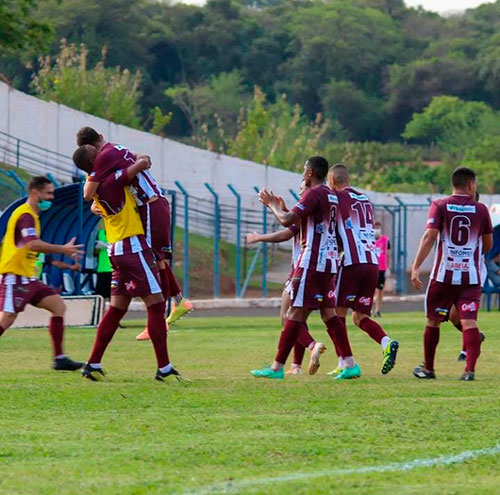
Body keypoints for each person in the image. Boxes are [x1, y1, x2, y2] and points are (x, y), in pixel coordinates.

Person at [72, 145, 187, 382]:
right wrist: (141, 159)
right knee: (156, 304)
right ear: (96, 162)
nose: (104, 156)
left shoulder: (94, 184)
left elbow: (93, 196)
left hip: (116, 249)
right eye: (99, 155)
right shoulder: (110, 181)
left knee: (116, 309)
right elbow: (138, 167)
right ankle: (164, 367)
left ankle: (92, 363)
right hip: (132, 246)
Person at [250, 156, 360, 380]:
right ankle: (349, 363)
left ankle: (277, 368)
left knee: (293, 314)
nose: (302, 173)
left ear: (310, 172)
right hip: (329, 261)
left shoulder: (315, 193)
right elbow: (307, 222)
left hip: (312, 261)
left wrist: (272, 206)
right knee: (329, 314)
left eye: (303, 169)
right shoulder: (332, 195)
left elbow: (287, 220)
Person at [411, 166, 493, 381]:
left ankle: (428, 369)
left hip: (443, 275)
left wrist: (416, 266)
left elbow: (430, 236)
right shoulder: (482, 209)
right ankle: (469, 371)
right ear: (470, 185)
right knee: (469, 321)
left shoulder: (439, 205)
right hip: (471, 276)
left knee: (433, 321)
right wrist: (470, 253)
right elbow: (487, 244)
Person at [0, 176, 84, 371]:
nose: (51, 198)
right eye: (48, 193)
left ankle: (59, 358)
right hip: (15, 275)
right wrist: (62, 249)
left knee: (57, 306)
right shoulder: (25, 215)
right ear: (34, 193)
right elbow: (32, 244)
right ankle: (59, 358)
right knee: (7, 317)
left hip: (29, 277)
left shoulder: (33, 216)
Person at [246, 181, 326, 376]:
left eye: (302, 188)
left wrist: (260, 237)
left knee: (287, 317)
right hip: (321, 267)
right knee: (298, 319)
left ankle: (311, 346)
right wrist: (283, 209)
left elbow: (285, 232)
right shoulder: (317, 213)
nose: (300, 191)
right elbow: (293, 223)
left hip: (302, 268)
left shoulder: (308, 209)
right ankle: (296, 365)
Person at [328, 164, 399, 376]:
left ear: (332, 180)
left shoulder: (337, 198)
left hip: (353, 262)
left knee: (335, 313)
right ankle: (386, 342)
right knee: (359, 316)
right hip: (372, 261)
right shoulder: (365, 199)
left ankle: (346, 363)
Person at [373, 221, 391, 317]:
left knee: (380, 289)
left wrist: (388, 268)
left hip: (382, 268)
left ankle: (378, 310)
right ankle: (368, 308)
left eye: (378, 227)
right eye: (375, 227)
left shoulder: (385, 240)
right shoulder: (369, 239)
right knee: (371, 289)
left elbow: (388, 255)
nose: (377, 229)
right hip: (372, 267)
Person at [93, 222, 112, 300]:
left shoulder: (118, 234)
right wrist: (97, 248)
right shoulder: (100, 234)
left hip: (114, 269)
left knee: (114, 295)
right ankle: (101, 311)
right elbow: (94, 253)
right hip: (102, 268)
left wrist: (108, 246)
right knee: (100, 295)